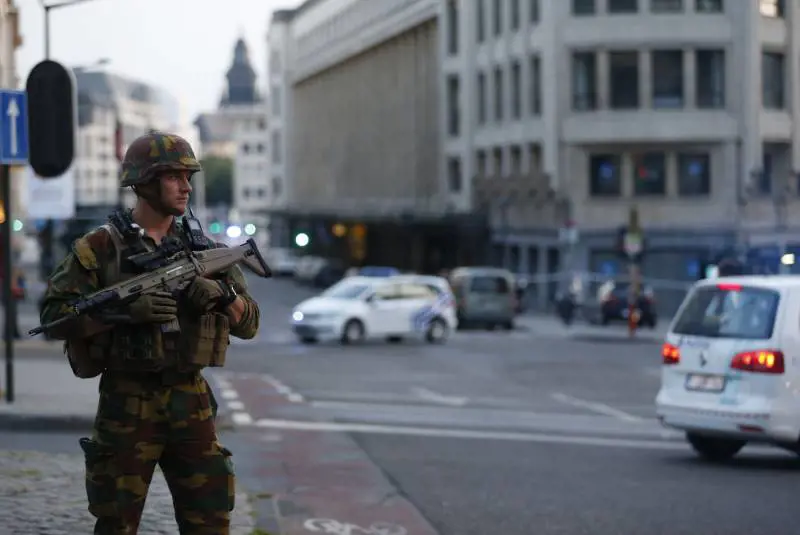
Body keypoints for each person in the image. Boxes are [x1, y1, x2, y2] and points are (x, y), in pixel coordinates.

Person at [39, 131, 261, 534]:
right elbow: (54, 317)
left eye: (188, 175)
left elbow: (250, 324)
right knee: (116, 521)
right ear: (143, 183)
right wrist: (123, 313)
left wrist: (221, 296)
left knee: (210, 520)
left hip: (190, 400)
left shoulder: (203, 250)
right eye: (174, 176)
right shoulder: (98, 249)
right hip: (127, 400)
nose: (186, 186)